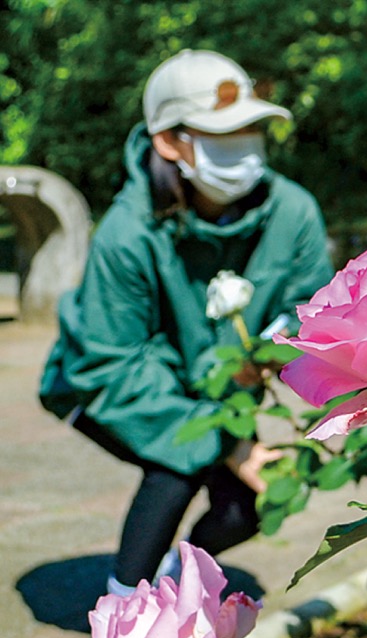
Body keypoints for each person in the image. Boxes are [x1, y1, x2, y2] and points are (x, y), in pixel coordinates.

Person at [40, 49, 334, 601]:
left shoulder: (292, 211)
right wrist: (229, 444)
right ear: (169, 142)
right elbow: (115, 365)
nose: (244, 146)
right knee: (177, 466)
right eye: (222, 134)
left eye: (251, 129)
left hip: (214, 392)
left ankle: (178, 575)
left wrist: (263, 358)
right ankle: (122, 617)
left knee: (251, 504)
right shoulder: (127, 233)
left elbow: (310, 307)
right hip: (103, 386)